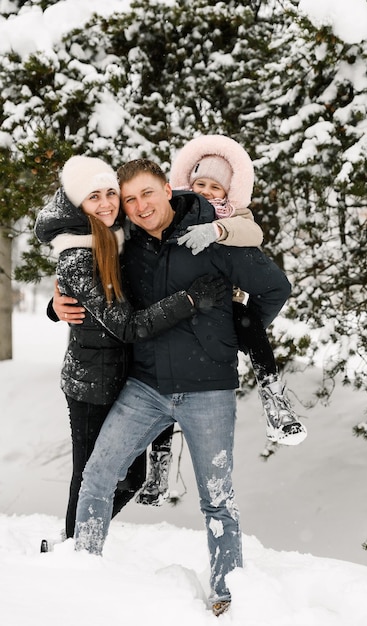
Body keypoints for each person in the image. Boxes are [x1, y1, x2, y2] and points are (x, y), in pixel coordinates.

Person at [57, 157, 291, 617]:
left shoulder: (213, 238)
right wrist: (54, 304)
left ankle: (225, 592)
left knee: (217, 499)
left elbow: (275, 288)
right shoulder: (129, 247)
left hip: (208, 392)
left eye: (147, 193)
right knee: (97, 477)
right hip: (145, 387)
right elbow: (86, 268)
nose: (140, 206)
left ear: (167, 188)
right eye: (130, 200)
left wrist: (228, 337)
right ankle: (81, 569)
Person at [34, 155, 225, 544]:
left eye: (110, 194)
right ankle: (74, 547)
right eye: (94, 197)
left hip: (123, 376)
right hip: (90, 384)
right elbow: (127, 324)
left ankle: (75, 538)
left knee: (130, 476)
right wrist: (188, 300)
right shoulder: (77, 256)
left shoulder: (115, 233)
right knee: (90, 474)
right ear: (77, 204)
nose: (106, 203)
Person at [135, 135, 306, 508]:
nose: (208, 193)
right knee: (161, 377)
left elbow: (254, 234)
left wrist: (216, 230)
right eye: (201, 185)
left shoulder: (233, 216)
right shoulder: (175, 210)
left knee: (248, 322)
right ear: (187, 184)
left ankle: (273, 395)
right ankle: (159, 465)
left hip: (224, 306)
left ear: (228, 192)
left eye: (216, 187)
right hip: (175, 304)